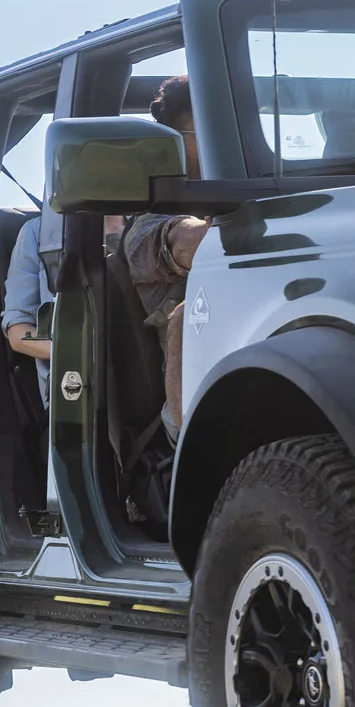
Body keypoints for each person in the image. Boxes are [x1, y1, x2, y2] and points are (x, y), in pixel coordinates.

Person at [122, 75, 210, 438]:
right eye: (202, 130)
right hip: (197, 409)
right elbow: (185, 243)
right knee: (185, 314)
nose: (217, 143)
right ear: (169, 144)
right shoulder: (147, 228)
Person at [1, 215, 53, 406]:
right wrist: (69, 352)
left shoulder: (148, 222)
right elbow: (18, 333)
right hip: (73, 391)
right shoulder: (38, 232)